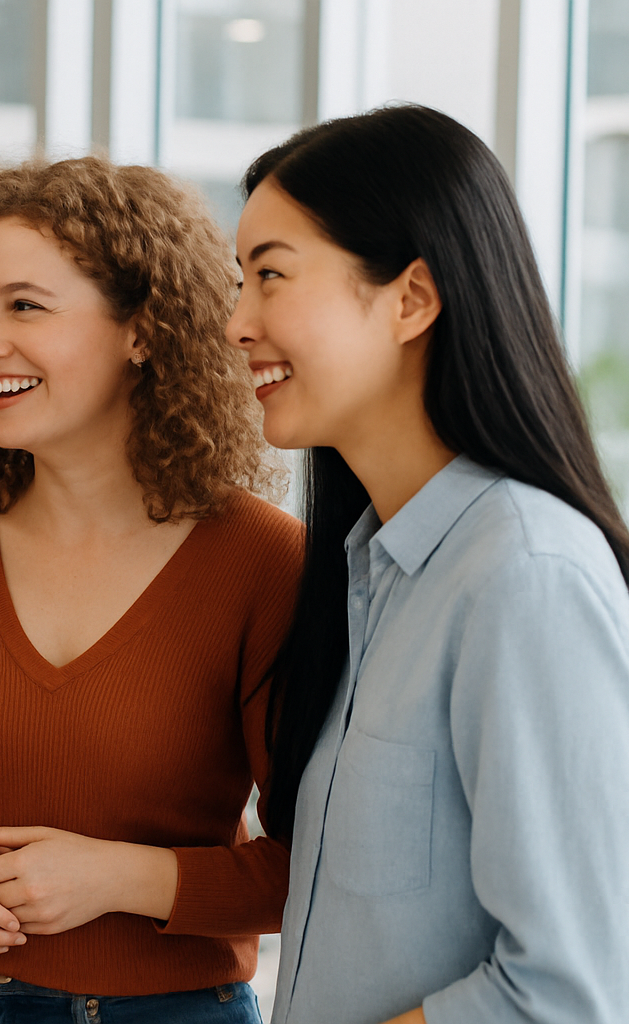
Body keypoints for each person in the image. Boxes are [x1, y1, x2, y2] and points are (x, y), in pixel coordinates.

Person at [0, 156, 302, 1024]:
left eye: (25, 305)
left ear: (143, 329)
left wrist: (121, 878)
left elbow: (308, 865)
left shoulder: (264, 560)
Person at [229, 104, 629, 1024]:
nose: (236, 322)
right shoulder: (376, 574)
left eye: (271, 277)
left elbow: (565, 992)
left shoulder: (524, 574)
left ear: (411, 298)